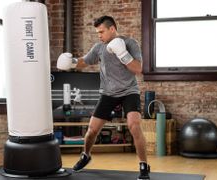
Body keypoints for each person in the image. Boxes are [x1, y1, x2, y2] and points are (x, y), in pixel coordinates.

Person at [57, 15, 150, 180]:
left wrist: (122, 53)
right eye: (97, 32)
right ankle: (86, 155)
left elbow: (137, 69)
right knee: (92, 130)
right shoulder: (99, 48)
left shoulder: (130, 43)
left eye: (102, 32)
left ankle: (144, 164)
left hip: (129, 91)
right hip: (107, 93)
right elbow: (84, 61)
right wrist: (71, 62)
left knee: (134, 125)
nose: (99, 35)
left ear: (112, 29)